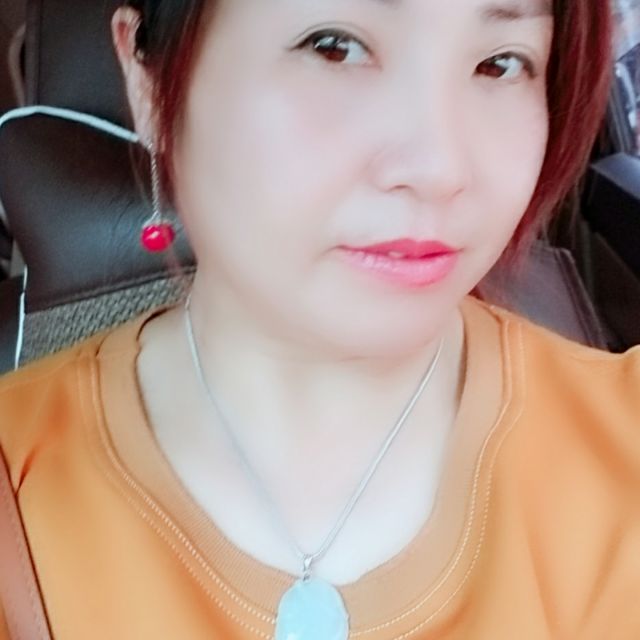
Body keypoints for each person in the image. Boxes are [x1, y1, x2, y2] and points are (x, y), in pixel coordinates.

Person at [0, 0, 637, 638]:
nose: (440, 170)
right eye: (334, 46)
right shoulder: (19, 490)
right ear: (148, 80)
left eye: (500, 64)